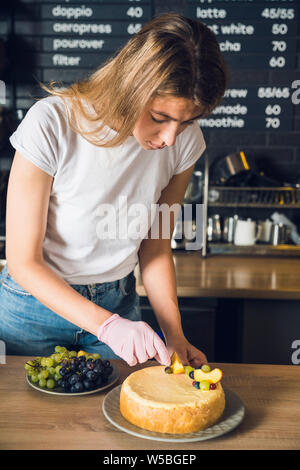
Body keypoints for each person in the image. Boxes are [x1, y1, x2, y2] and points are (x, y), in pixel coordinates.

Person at [0, 13, 227, 368]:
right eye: (159, 117)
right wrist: (106, 327)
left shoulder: (185, 144)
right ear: (130, 86)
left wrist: (175, 335)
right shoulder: (51, 123)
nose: (170, 138)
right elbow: (23, 261)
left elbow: (154, 248)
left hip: (118, 303)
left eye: (186, 121)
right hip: (32, 310)